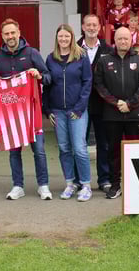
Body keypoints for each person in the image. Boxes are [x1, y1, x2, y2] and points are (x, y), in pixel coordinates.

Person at [0, 18, 52, 201]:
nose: (10, 36)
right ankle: (18, 186)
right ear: (2, 36)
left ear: (19, 32)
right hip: (10, 115)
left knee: (39, 150)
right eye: (6, 34)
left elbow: (48, 77)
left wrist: (38, 75)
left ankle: (43, 185)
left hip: (32, 112)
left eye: (12, 33)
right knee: (14, 152)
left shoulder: (32, 53)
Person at [93, 27, 139, 199]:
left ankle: (137, 186)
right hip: (112, 114)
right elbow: (99, 85)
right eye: (120, 39)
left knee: (136, 151)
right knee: (113, 152)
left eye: (126, 38)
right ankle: (115, 185)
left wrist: (130, 104)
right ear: (115, 41)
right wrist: (115, 102)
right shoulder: (104, 61)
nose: (123, 41)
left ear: (131, 40)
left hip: (135, 114)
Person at [44, 24, 93, 202]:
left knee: (79, 148)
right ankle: (70, 183)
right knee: (64, 148)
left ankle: (86, 185)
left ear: (72, 37)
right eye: (60, 37)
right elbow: (47, 86)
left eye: (66, 36)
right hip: (58, 111)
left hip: (77, 111)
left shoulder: (81, 56)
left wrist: (79, 108)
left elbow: (87, 83)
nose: (63, 40)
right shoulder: (51, 59)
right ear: (56, 38)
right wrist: (47, 109)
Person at [77, 14, 114, 192]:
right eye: (88, 25)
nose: (91, 28)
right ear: (83, 27)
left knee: (103, 143)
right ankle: (78, 180)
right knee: (79, 143)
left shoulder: (108, 49)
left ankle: (104, 179)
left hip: (102, 103)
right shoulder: (74, 48)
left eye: (95, 25)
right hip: (80, 104)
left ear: (99, 28)